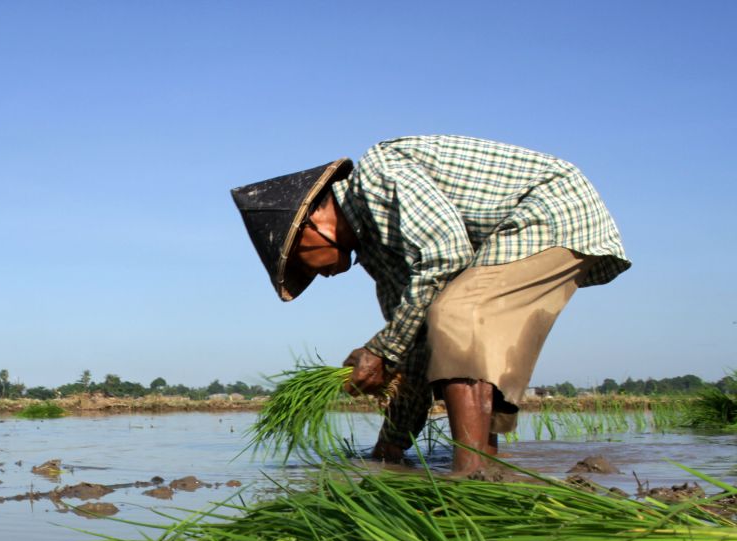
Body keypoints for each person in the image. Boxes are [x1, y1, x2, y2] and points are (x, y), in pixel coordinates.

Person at [232, 135, 629, 474]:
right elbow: (416, 353)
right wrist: (389, 449)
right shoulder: (380, 254)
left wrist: (380, 349)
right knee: (448, 329)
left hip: (549, 209)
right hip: (518, 231)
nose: (321, 275)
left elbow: (446, 254)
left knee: (457, 313)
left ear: (312, 222)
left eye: (303, 262)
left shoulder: (378, 174)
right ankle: (486, 473)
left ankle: (468, 479)